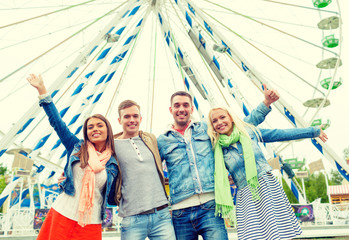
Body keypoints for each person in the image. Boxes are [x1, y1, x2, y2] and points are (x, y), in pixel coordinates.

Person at [157, 85, 279, 239]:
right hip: (180, 212)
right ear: (170, 110)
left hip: (210, 207)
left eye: (185, 105)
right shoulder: (162, 141)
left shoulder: (206, 129)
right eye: (177, 105)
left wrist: (266, 103)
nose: (181, 109)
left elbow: (239, 126)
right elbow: (149, 168)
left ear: (192, 108)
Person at [207, 106, 328, 240]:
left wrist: (313, 131)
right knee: (252, 235)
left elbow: (280, 134)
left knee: (278, 232)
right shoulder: (217, 148)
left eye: (222, 117)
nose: (219, 122)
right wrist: (228, 177)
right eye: (215, 121)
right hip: (246, 194)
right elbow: (212, 171)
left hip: (266, 186)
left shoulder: (248, 132)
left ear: (231, 118)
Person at [27, 74, 119, 240]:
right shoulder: (77, 147)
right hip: (63, 212)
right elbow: (58, 123)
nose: (95, 129)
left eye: (100, 125)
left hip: (91, 221)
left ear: (108, 130)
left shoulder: (114, 161)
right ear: (86, 132)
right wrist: (42, 90)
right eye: (90, 127)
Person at [110, 99, 175, 240]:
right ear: (119, 120)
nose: (132, 120)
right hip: (132, 218)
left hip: (161, 215)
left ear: (140, 118)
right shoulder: (112, 147)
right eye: (127, 116)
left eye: (135, 116)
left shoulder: (150, 139)